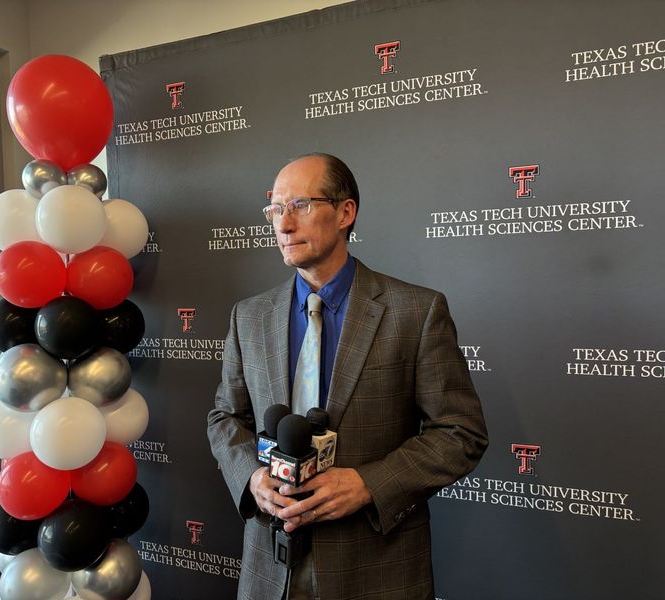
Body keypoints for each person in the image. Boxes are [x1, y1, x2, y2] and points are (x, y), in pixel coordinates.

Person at [207, 153, 488, 600]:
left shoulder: (416, 311)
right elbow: (225, 418)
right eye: (275, 209)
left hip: (376, 569)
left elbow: (460, 432)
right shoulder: (250, 316)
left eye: (299, 205)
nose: (283, 224)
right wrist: (252, 479)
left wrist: (367, 485)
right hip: (269, 569)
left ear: (345, 212)